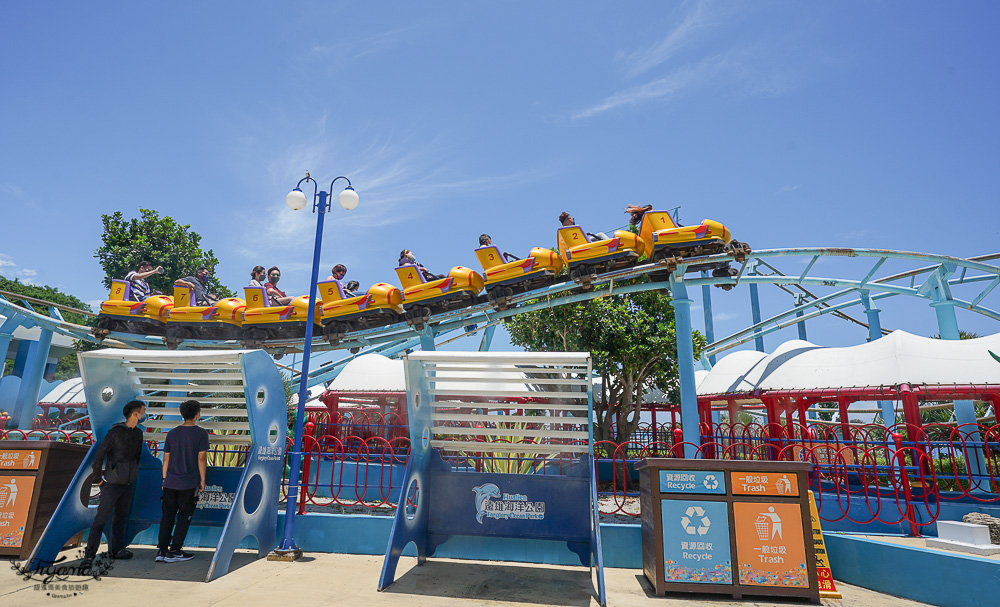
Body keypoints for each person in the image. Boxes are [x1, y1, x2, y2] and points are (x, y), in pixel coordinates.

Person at [81, 400, 146, 570]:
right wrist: (99, 480)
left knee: (121, 517)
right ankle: (89, 556)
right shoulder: (115, 432)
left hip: (128, 484)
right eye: (142, 411)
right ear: (135, 414)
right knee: (100, 519)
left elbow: (137, 457)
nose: (143, 414)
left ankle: (117, 549)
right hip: (111, 484)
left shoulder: (138, 434)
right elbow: (99, 456)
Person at [156, 399, 209, 563]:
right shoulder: (201, 433)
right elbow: (201, 458)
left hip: (170, 482)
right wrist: (202, 480)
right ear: (197, 414)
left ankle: (162, 551)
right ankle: (175, 550)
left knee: (167, 517)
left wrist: (164, 479)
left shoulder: (172, 433)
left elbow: (166, 459)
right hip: (188, 483)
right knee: (184, 517)